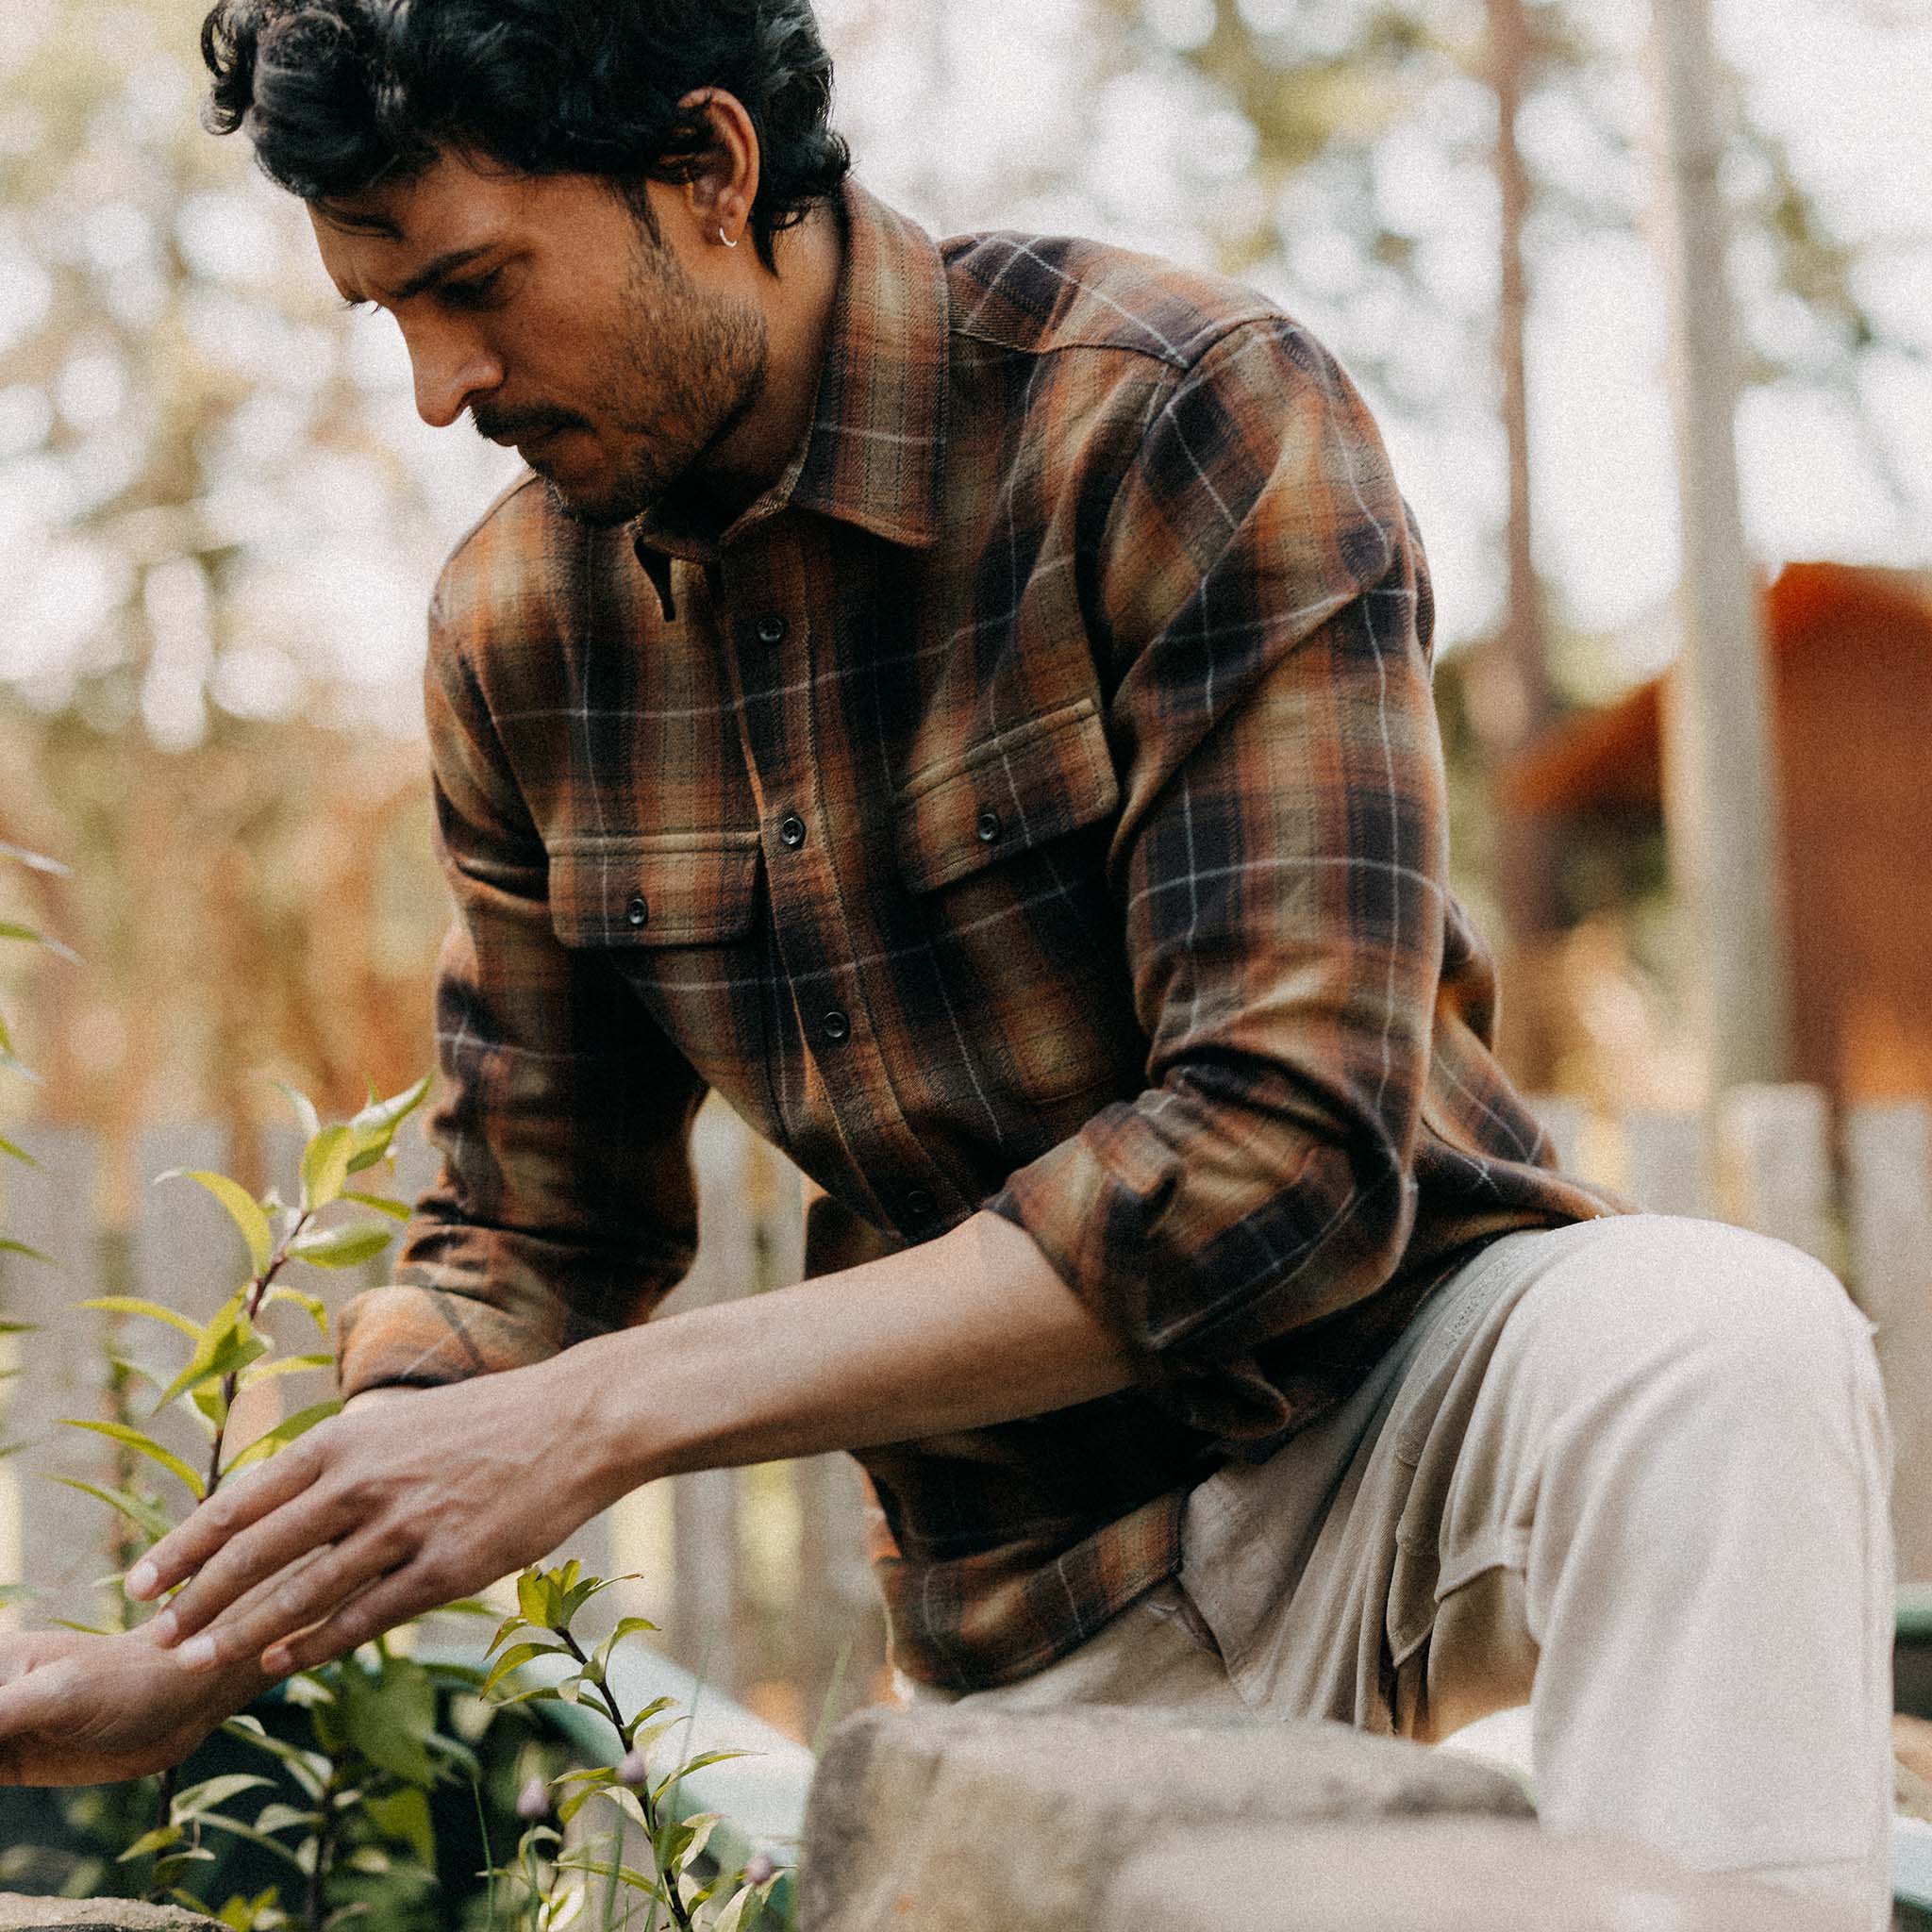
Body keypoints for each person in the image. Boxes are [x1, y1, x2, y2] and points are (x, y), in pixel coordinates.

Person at [0, 3, 1892, 1921]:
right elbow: (526, 1241)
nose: (436, 384)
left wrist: (605, 1417)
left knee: (1715, 1343)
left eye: (476, 283)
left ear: (711, 167)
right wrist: (217, 1639)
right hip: (1037, 1598)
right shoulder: (514, 629)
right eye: (385, 308)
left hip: (1406, 1413)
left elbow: (1278, 1149)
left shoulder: (1170, 411)